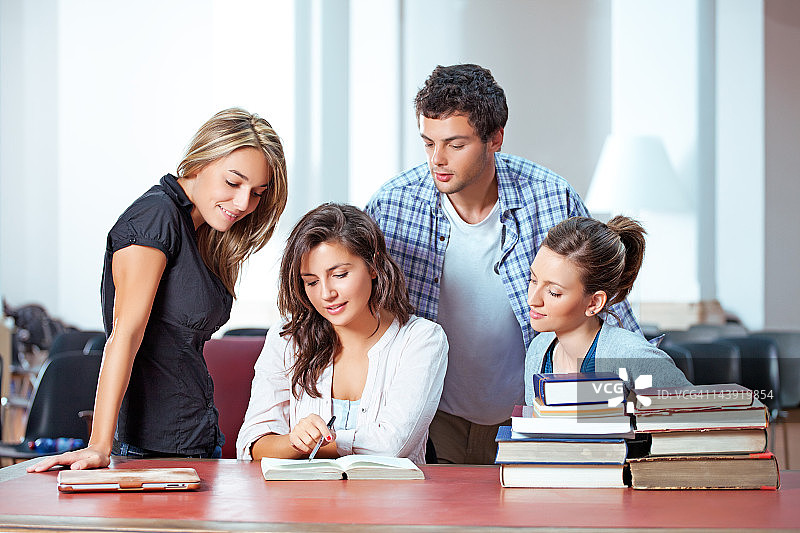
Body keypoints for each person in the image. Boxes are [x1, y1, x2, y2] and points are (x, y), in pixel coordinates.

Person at [365, 63, 640, 464]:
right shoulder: (392, 205)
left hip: (533, 412)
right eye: (428, 143)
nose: (437, 160)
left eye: (455, 144)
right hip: (431, 416)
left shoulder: (550, 197)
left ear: (495, 138)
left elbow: (607, 307)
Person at [28, 108, 288, 472]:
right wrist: (99, 445)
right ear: (201, 160)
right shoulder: (155, 219)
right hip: (151, 450)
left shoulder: (202, 230)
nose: (244, 203)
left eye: (257, 193)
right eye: (233, 183)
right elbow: (125, 334)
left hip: (197, 441)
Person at [236, 203, 448, 464]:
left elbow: (391, 446)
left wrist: (311, 445)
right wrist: (295, 440)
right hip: (304, 491)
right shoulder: (287, 337)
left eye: (339, 274)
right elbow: (253, 444)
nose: (326, 294)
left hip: (388, 491)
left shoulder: (423, 339)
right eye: (312, 282)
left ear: (373, 266)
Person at [524, 215, 690, 404]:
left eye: (554, 292)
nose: (532, 299)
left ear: (594, 303)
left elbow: (698, 413)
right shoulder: (539, 349)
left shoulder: (632, 355)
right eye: (533, 280)